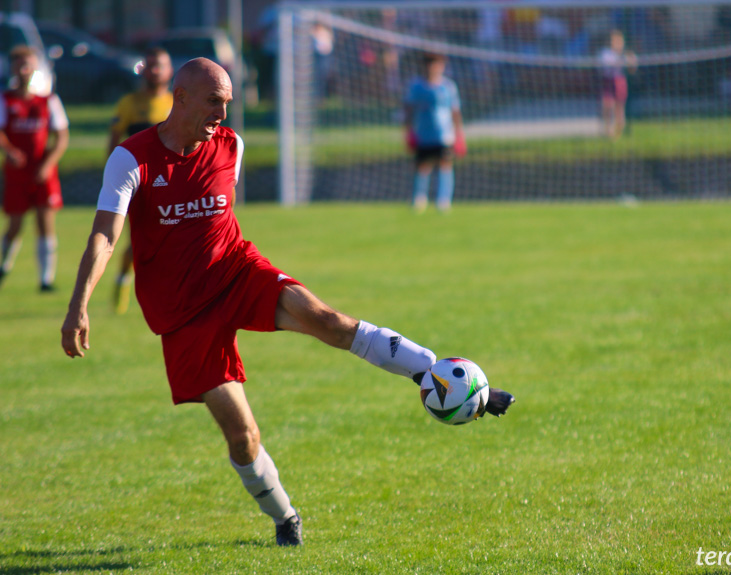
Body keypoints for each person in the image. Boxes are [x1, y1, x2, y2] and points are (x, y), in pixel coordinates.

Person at [61, 58, 514, 547]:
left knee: (328, 320)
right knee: (243, 438)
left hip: (237, 273)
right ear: (183, 96)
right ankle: (285, 517)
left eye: (228, 101)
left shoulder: (230, 146)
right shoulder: (132, 159)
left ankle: (433, 372)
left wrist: (452, 384)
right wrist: (78, 305)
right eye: (215, 100)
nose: (224, 111)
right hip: (183, 314)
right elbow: (106, 237)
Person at [108, 46, 174, 314]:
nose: (155, 70)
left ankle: (168, 293)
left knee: (172, 238)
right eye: (150, 64)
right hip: (138, 182)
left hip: (171, 182)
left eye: (160, 65)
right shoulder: (129, 103)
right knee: (140, 242)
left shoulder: (176, 104)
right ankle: (123, 279)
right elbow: (114, 139)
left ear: (170, 71)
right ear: (142, 69)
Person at [0, 45, 69, 291]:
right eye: (18, 63)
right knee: (15, 223)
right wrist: (10, 151)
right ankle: (4, 265)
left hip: (42, 170)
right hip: (17, 171)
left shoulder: (48, 100)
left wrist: (48, 164)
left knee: (45, 221)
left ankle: (45, 279)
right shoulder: (6, 99)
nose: (23, 68)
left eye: (27, 63)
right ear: (12, 68)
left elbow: (61, 136)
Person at [403, 53, 465, 213]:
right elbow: (408, 110)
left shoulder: (448, 87)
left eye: (437, 64)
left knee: (445, 165)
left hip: (444, 135)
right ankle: (419, 198)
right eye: (430, 64)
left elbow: (455, 111)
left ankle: (444, 200)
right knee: (422, 166)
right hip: (423, 134)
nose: (433, 67)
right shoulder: (416, 86)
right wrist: (408, 132)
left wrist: (459, 135)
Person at [599, 30, 637, 139]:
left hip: (619, 81)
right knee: (608, 105)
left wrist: (630, 60)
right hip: (608, 81)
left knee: (619, 107)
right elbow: (605, 67)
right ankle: (608, 130)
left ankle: (619, 131)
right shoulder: (606, 53)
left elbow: (632, 68)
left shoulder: (625, 54)